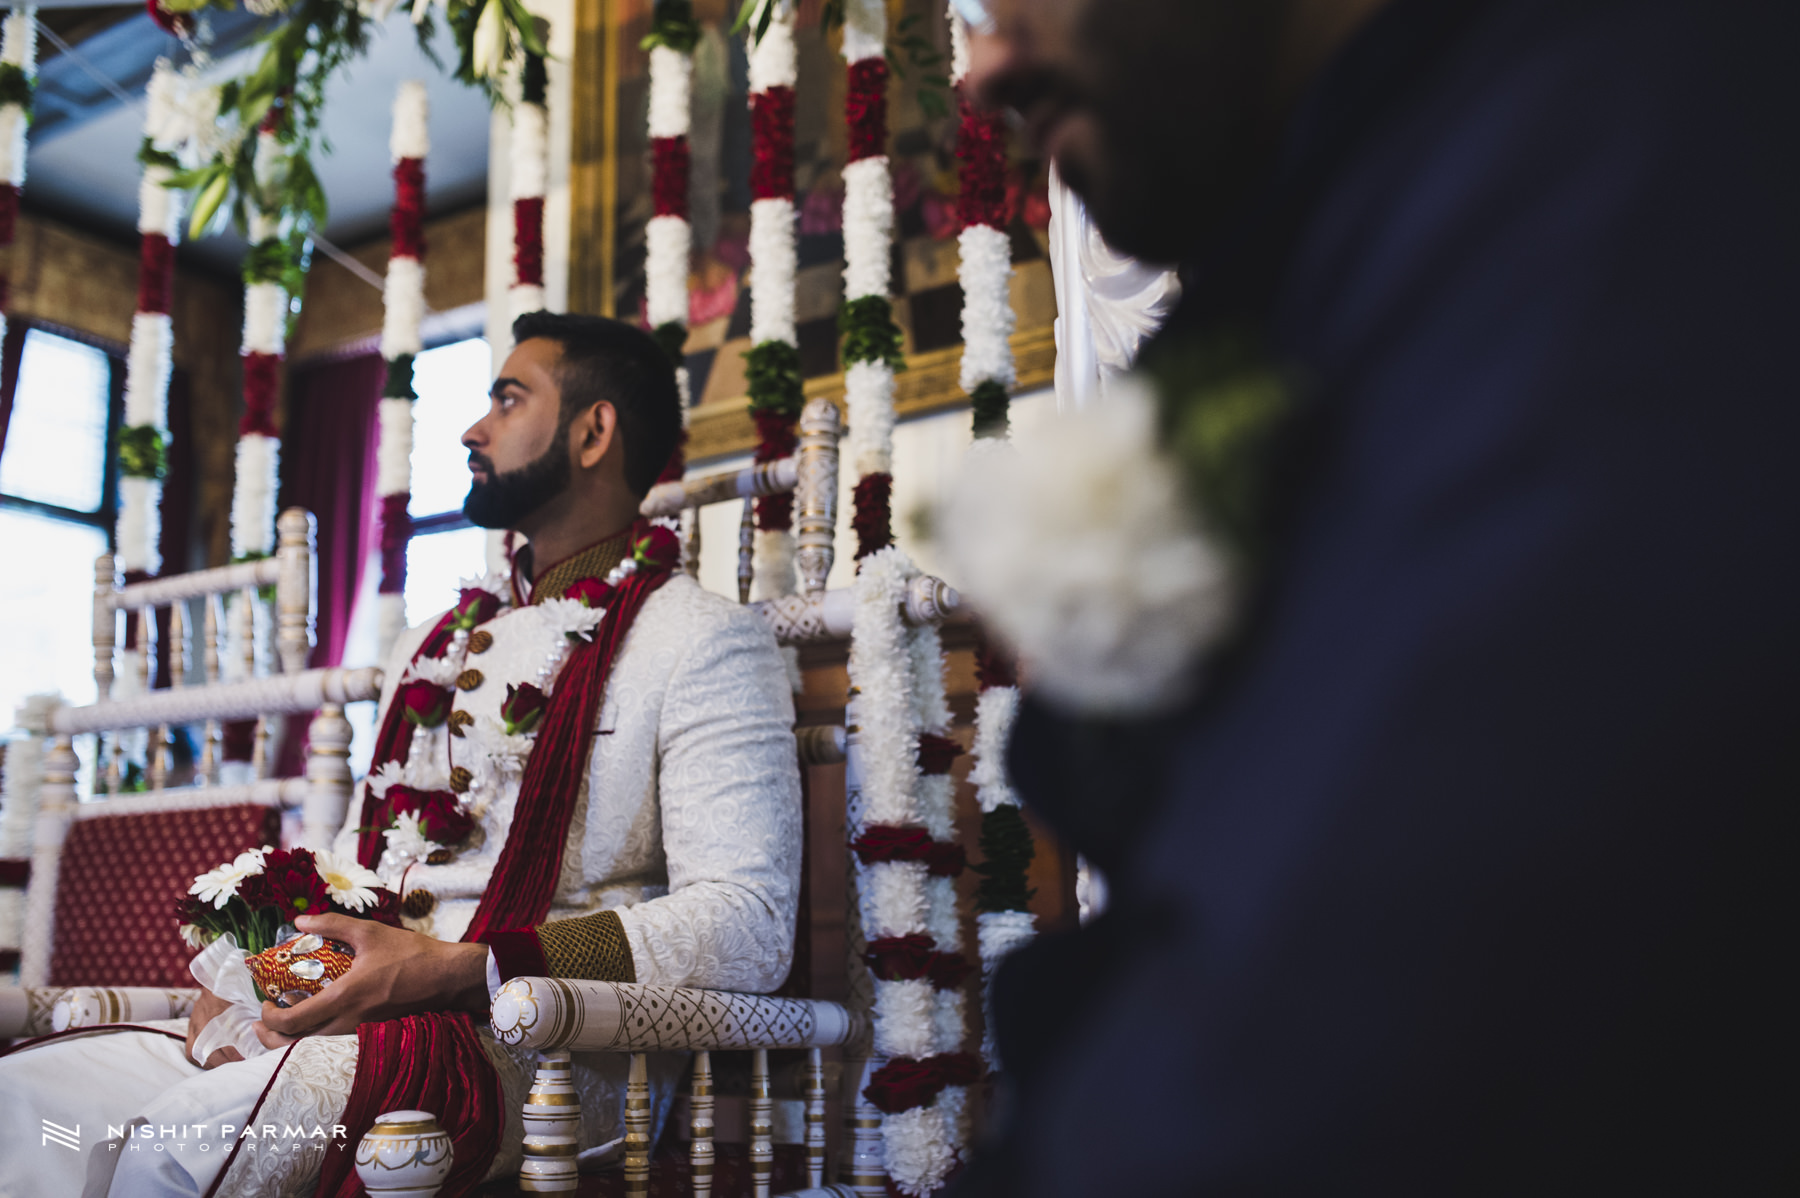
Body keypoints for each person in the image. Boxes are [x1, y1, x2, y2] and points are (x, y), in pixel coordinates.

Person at [950, 0, 1798, 1193]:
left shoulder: (1612, 156)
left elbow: (1357, 1018)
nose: (983, 68)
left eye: (1015, 2)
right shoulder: (1359, 209)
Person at [0, 312, 803, 1197]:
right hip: (350, 1011)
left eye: (507, 398)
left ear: (592, 430)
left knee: (184, 1139)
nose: (472, 428)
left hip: (541, 1043)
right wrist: (260, 983)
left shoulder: (700, 640)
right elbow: (357, 872)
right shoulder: (431, 643)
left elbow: (749, 923)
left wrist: (467, 969)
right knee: (28, 1101)